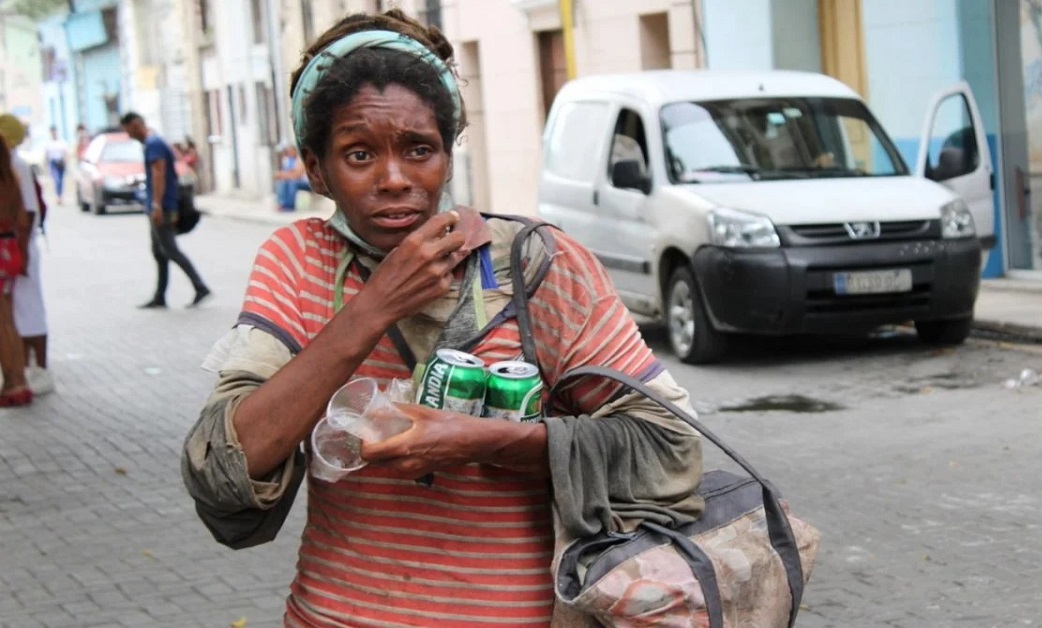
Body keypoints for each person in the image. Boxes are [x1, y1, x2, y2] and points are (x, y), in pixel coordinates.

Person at [180, 9, 704, 626]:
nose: (395, 179)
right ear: (316, 168)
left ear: (448, 155)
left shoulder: (538, 266)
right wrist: (375, 308)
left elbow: (671, 446)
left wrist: (485, 442)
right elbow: (226, 468)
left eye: (418, 149)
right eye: (358, 154)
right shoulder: (299, 262)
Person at [119, 112, 211, 309]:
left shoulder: (154, 144)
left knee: (170, 250)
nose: (127, 134)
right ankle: (160, 295)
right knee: (159, 251)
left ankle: (200, 286)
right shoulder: (154, 143)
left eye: (127, 129)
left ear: (135, 125)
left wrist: (157, 205)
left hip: (164, 206)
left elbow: (159, 174)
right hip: (161, 204)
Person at [0, 114, 53, 396]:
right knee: (14, 316)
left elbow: (28, 213)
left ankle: (33, 370)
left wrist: (21, 255)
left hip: (16, 251)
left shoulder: (15, 166)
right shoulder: (10, 167)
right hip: (14, 251)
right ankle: (20, 371)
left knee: (24, 313)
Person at [0, 131, 33, 406]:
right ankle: (19, 380)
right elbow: (22, 221)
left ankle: (11, 382)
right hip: (9, 250)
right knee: (9, 320)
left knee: (2, 323)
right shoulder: (13, 179)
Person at [273, 143, 311, 212]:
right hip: (293, 180)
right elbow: (281, 174)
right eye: (288, 151)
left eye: (291, 151)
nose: (289, 153)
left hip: (306, 183)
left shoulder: (300, 160)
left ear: (295, 151)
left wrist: (284, 175)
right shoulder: (287, 160)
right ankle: (282, 204)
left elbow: (297, 175)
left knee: (292, 182)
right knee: (282, 182)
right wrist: (284, 175)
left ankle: (290, 205)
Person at [44, 126, 69, 205]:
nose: (53, 134)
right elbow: (46, 154)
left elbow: (65, 153)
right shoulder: (49, 143)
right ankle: (58, 196)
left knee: (61, 180)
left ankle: (60, 196)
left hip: (60, 162)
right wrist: (46, 164)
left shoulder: (61, 142)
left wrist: (66, 162)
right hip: (53, 162)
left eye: (54, 132)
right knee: (56, 180)